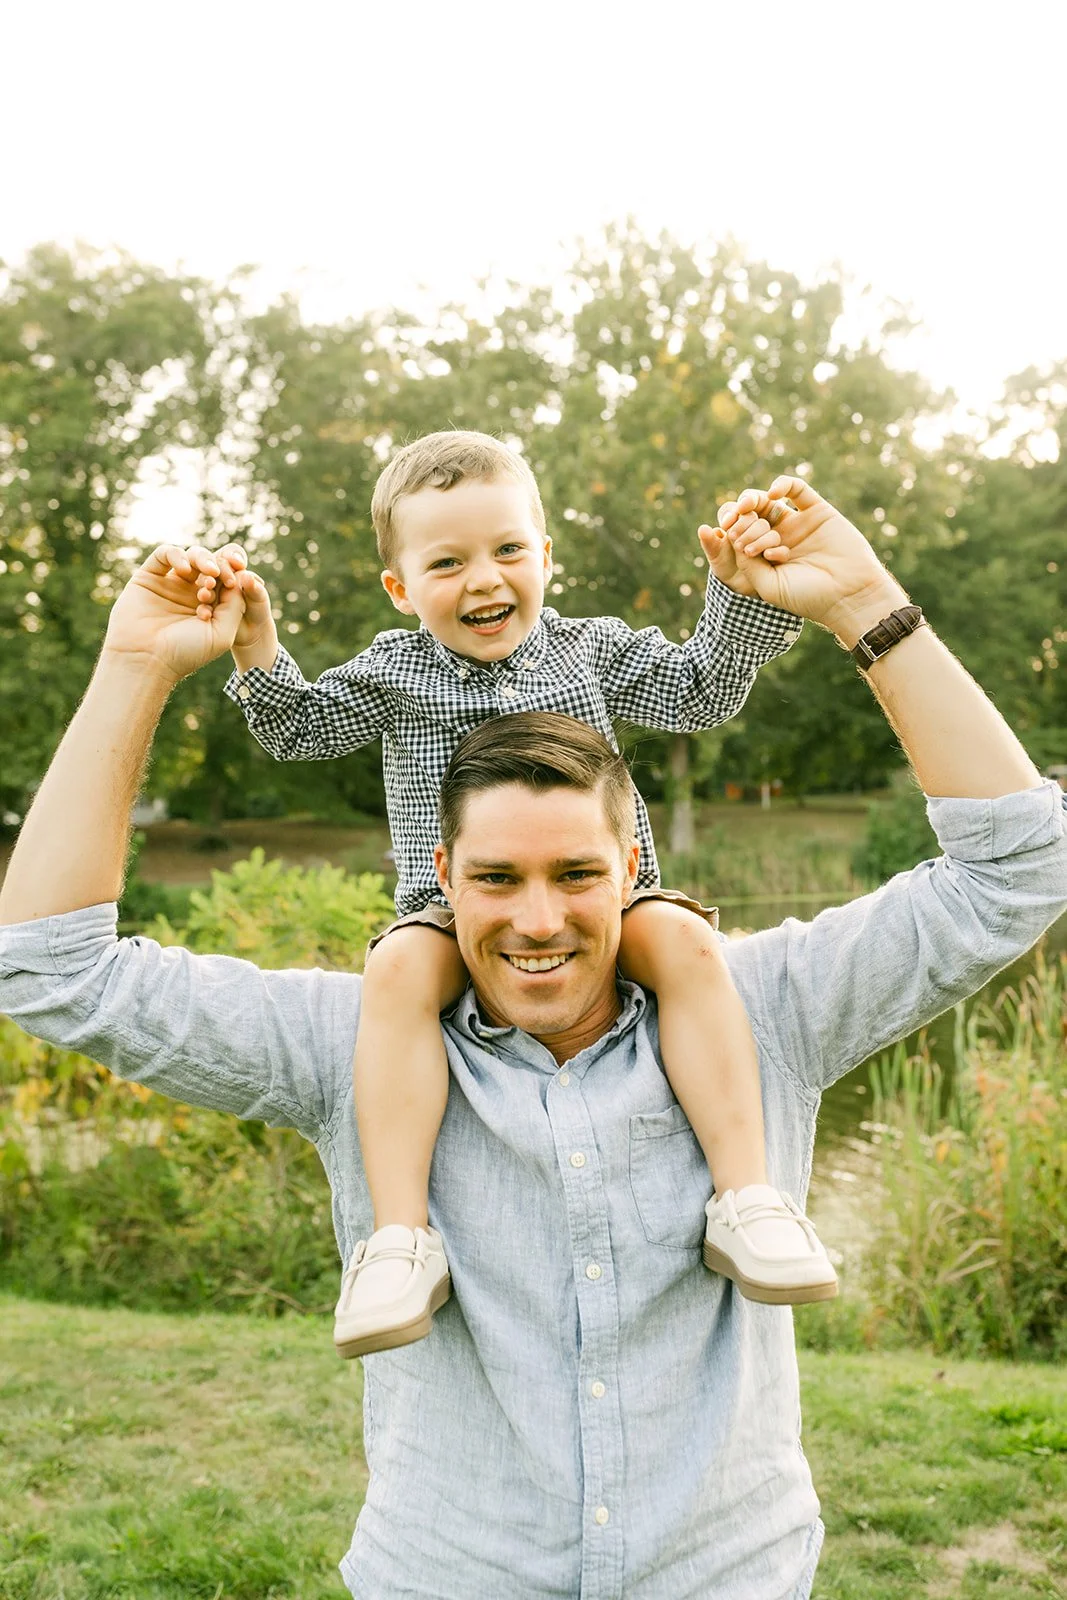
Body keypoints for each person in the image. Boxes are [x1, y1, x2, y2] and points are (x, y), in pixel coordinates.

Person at [1, 478, 1064, 1600]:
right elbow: (43, 967)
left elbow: (1019, 872)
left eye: (576, 876)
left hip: (724, 1573)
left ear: (631, 871)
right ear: (441, 877)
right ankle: (396, 1247)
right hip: (452, 1574)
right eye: (496, 879)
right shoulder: (361, 1038)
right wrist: (133, 670)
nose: (541, 920)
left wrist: (862, 604)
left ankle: (748, 1204)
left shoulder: (761, 1009)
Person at [212, 430, 836, 1357]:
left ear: (545, 556)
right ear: (401, 586)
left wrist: (738, 593)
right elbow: (301, 729)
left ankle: (746, 1196)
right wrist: (255, 642)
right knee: (393, 973)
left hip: (610, 905)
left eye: (507, 550)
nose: (483, 580)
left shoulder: (588, 652)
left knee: (689, 948)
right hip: (451, 914)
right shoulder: (393, 671)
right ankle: (398, 1240)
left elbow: (699, 692)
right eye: (446, 561)